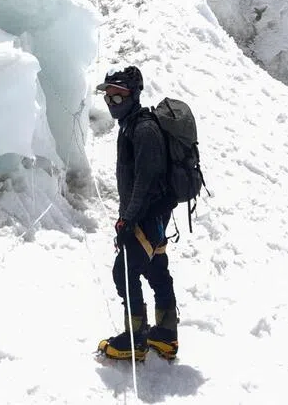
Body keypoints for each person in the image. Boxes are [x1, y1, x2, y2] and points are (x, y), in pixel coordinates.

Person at [96, 66, 179, 361]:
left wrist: (128, 219)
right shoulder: (132, 125)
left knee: (124, 272)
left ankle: (136, 339)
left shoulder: (143, 129)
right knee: (157, 271)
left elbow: (145, 179)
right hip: (152, 214)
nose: (112, 103)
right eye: (108, 97)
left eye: (118, 97)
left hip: (146, 215)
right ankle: (166, 335)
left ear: (134, 95)